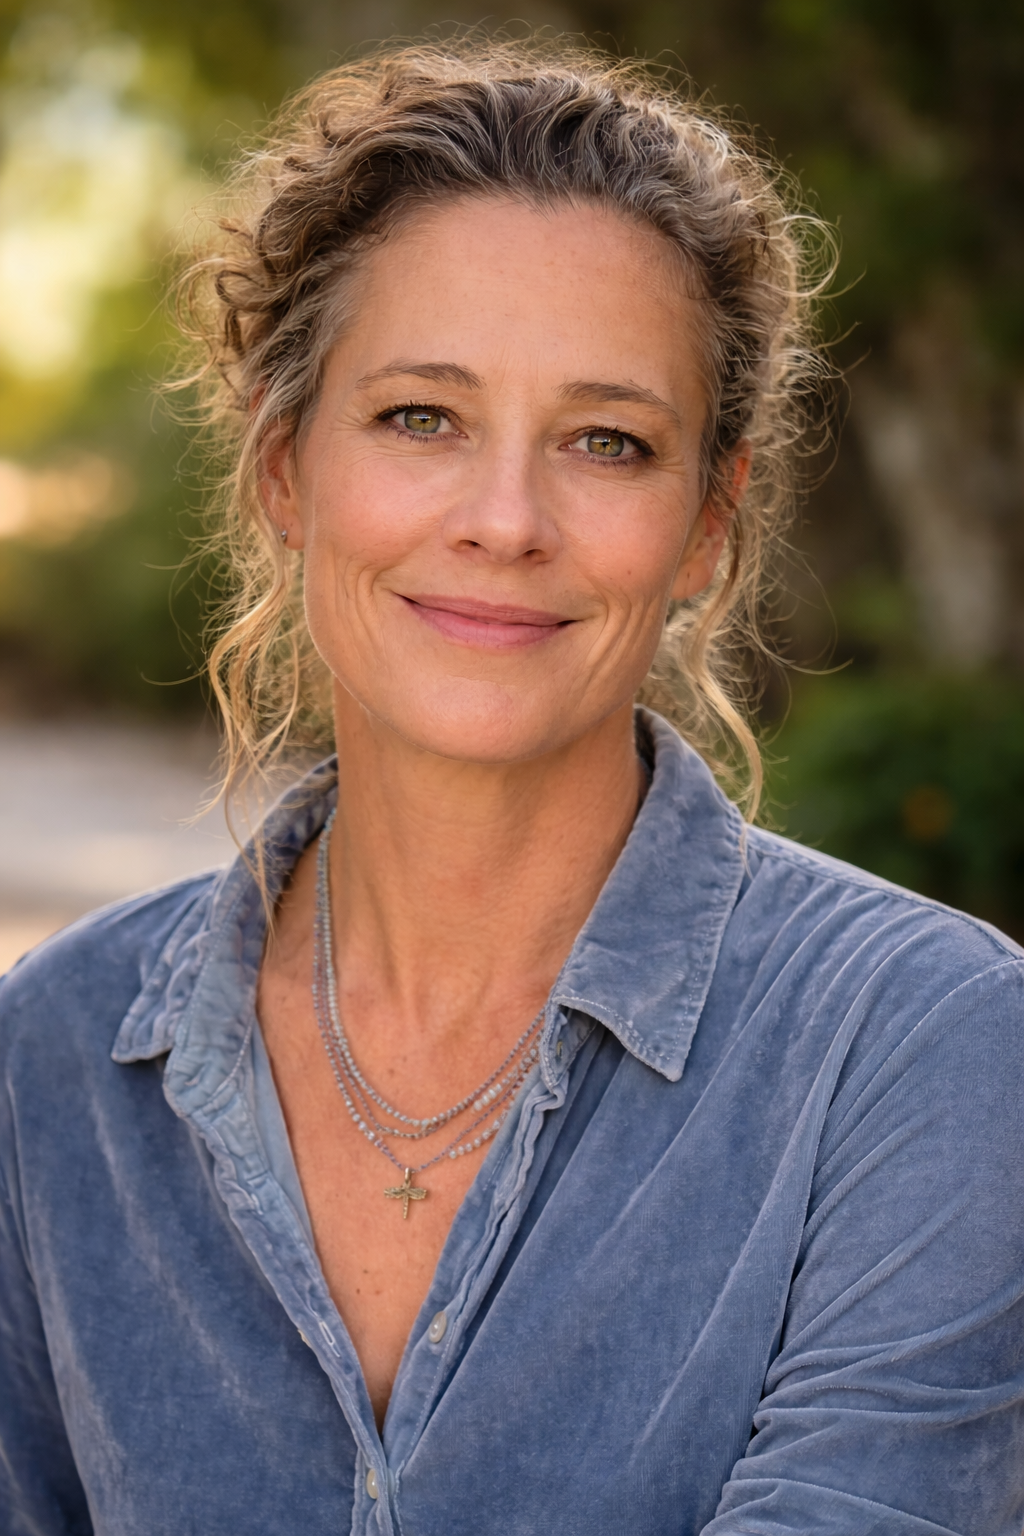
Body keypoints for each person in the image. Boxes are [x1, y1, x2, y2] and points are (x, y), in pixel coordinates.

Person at [1, 38, 1020, 1536]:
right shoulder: (49, 1069)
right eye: (422, 416)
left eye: (608, 443)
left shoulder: (922, 1051)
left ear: (706, 527)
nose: (506, 519)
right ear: (286, 467)